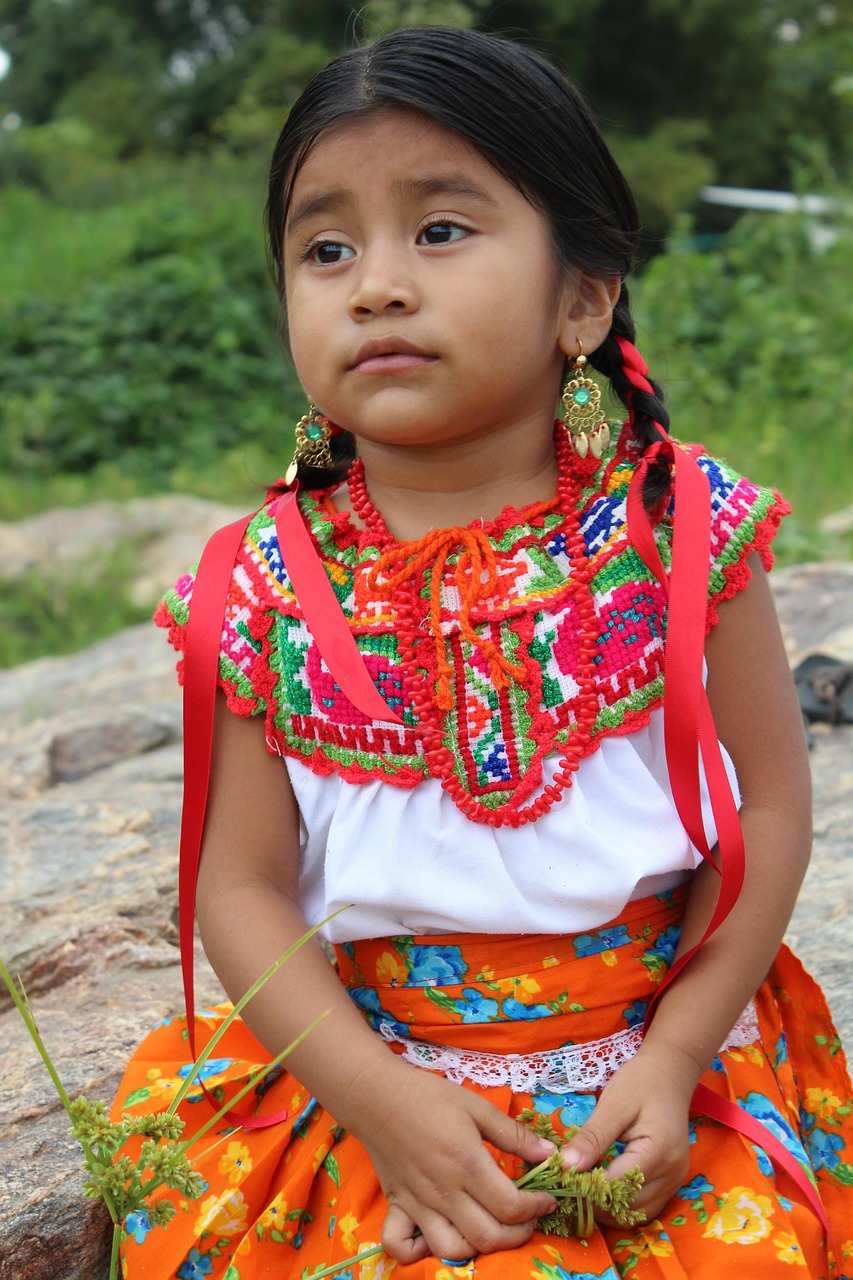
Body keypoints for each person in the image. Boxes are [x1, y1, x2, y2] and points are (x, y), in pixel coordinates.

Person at [112, 25, 853, 1280]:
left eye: (440, 231)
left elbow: (772, 806)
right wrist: (376, 1102)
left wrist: (676, 1055)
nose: (375, 285)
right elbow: (237, 888)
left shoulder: (681, 534)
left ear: (584, 293)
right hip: (370, 1083)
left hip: (658, 1061)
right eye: (325, 247)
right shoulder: (258, 585)